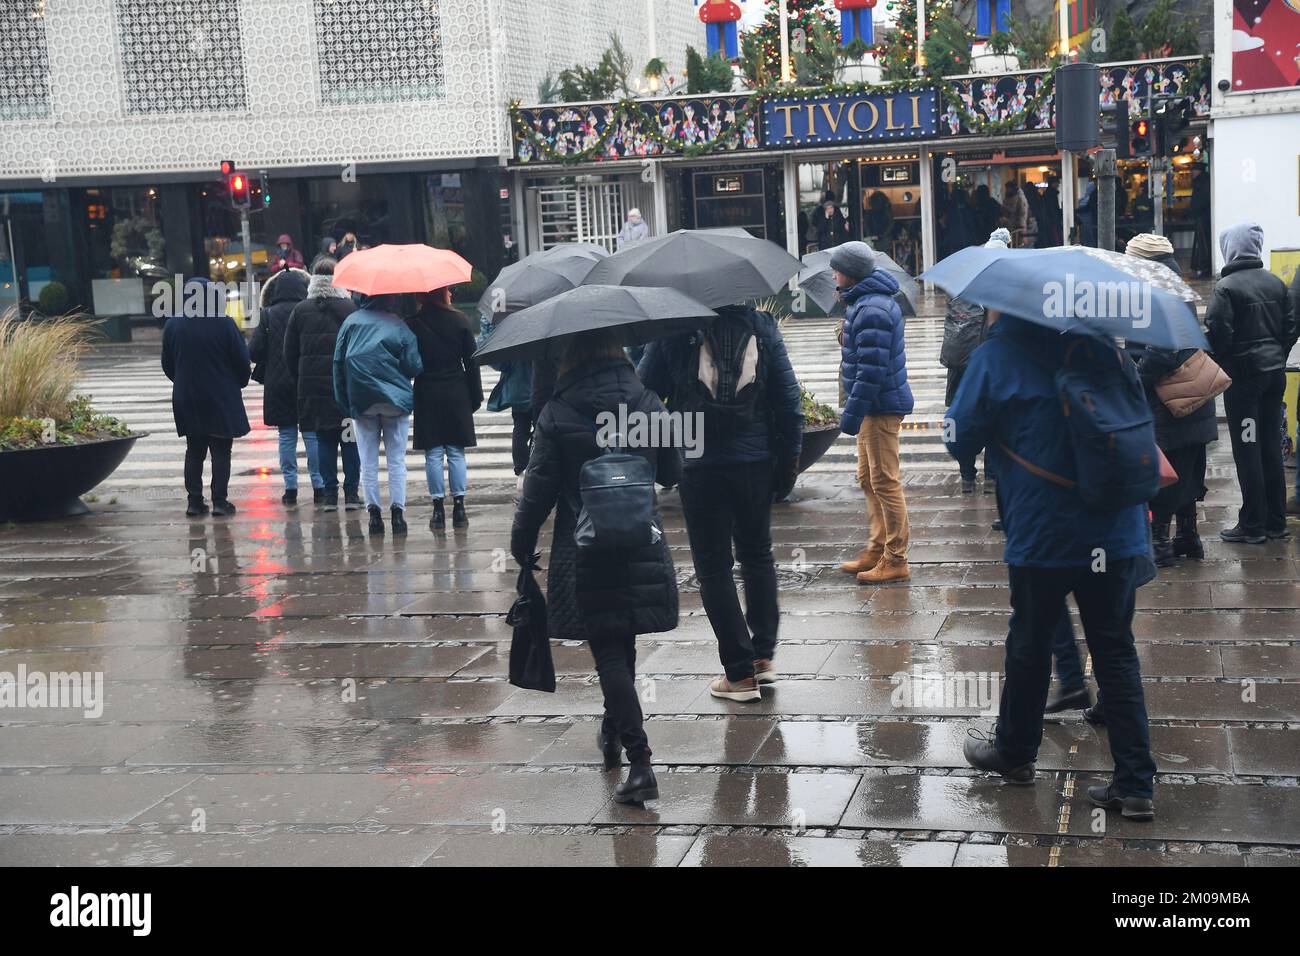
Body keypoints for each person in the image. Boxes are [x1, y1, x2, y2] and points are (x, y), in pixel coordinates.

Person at [946, 311, 1157, 821]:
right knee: (1114, 647)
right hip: (1116, 527)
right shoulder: (1106, 349)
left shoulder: (996, 356)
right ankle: (1134, 784)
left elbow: (958, 437)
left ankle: (1015, 754)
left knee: (1030, 643)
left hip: (1046, 532)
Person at [511, 330, 680, 805]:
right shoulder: (647, 401)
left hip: (584, 547)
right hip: (640, 540)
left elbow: (538, 490)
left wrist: (521, 543)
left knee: (608, 649)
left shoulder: (557, 411)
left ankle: (640, 760)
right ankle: (612, 732)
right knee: (618, 643)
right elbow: (671, 471)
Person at [638, 301, 803, 703]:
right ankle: (762, 657)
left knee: (713, 568)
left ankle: (738, 674)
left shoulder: (675, 330)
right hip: (755, 461)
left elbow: (643, 392)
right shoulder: (763, 327)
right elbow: (788, 401)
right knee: (758, 555)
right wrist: (788, 467)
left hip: (701, 463)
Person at [1125, 234, 1219, 565]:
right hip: (1189, 393)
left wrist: (1137, 377)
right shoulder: (1174, 283)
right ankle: (1187, 538)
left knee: (1166, 471)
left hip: (1168, 395)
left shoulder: (1159, 289)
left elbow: (1162, 349)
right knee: (1187, 468)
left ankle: (1160, 544)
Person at [1206, 222, 1298, 544]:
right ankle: (1276, 522)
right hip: (1274, 377)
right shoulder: (1276, 283)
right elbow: (1290, 327)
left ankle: (1252, 523)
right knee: (1271, 446)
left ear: (1230, 248)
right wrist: (1275, 354)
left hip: (1244, 383)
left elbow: (1219, 331)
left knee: (1248, 450)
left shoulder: (1226, 287)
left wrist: (1228, 360)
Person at [834, 241, 914, 584]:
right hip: (873, 405)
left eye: (836, 270)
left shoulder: (872, 310)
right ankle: (877, 546)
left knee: (885, 481)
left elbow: (871, 371)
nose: (833, 275)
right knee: (868, 478)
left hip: (878, 408)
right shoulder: (861, 305)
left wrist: (850, 416)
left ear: (849, 272)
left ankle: (895, 557)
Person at [333, 292, 423, 536]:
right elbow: (414, 365)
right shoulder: (398, 324)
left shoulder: (350, 323)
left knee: (367, 460)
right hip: (395, 401)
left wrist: (345, 402)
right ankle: (398, 514)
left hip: (362, 401)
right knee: (396, 460)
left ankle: (374, 515)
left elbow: (338, 364)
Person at [161, 277, 251, 518]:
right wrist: (237, 383)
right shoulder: (224, 324)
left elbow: (168, 365)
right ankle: (220, 502)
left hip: (187, 397)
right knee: (221, 450)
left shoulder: (173, 325)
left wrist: (183, 383)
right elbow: (242, 363)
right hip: (220, 397)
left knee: (194, 449)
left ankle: (194, 502)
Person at [283, 255, 361, 512]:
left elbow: (289, 353)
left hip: (313, 390)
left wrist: (301, 380)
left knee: (325, 441)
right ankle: (351, 494)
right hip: (346, 388)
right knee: (349, 441)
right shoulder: (349, 308)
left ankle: (329, 495)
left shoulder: (300, 310)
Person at [941, 228, 1010, 494]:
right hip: (984, 363)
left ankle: (967, 475)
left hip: (957, 360)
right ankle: (991, 477)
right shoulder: (999, 287)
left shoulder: (961, 280)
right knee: (993, 420)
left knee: (962, 418)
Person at [408, 288, 482, 531]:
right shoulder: (460, 320)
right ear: (442, 294)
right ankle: (459, 507)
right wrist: (475, 396)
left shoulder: (414, 324)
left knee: (433, 453)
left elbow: (409, 361)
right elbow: (472, 361)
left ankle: (437, 508)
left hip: (427, 390)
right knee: (456, 451)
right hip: (456, 390)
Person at [249, 268, 318, 506]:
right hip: (305, 380)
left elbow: (254, 351)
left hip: (277, 384)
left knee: (286, 436)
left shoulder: (267, 315)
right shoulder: (307, 311)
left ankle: (290, 488)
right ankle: (319, 485)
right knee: (311, 434)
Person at [1189, 165, 1212, 279]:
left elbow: (1201, 200)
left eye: (1193, 169)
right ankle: (1204, 268)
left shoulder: (1200, 182)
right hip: (1204, 216)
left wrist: (1194, 210)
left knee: (1203, 244)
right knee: (1204, 243)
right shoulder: (1205, 180)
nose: (1192, 172)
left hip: (1202, 217)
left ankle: (1204, 269)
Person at [1000, 180, 1028, 247]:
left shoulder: (1019, 197)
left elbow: (1016, 210)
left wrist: (1004, 207)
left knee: (1018, 245)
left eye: (1008, 188)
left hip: (1017, 225)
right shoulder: (1009, 196)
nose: (1007, 190)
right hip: (1011, 225)